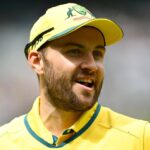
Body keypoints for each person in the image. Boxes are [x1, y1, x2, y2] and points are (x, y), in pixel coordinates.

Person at [0, 3, 149, 150]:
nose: (92, 65)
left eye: (97, 54)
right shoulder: (4, 141)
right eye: (74, 52)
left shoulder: (141, 138)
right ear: (37, 61)